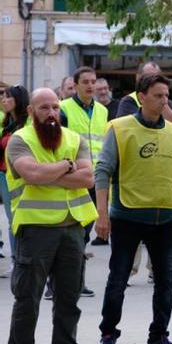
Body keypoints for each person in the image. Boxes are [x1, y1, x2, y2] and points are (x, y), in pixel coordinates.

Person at [95, 74, 172, 344]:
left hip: (165, 218)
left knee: (166, 282)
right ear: (141, 97)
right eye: (158, 95)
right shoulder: (119, 128)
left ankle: (158, 337)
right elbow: (102, 171)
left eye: (167, 96)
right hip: (127, 216)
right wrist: (102, 214)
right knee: (118, 279)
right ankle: (108, 333)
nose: (164, 101)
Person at [3, 88, 99, 344]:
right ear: (31, 111)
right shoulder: (20, 140)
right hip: (36, 229)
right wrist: (66, 167)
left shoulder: (74, 138)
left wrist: (52, 174)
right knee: (28, 297)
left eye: (55, 107)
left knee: (69, 297)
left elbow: (88, 177)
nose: (51, 114)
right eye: (44, 108)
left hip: (73, 228)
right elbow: (31, 174)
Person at [59, 66, 105, 295]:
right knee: (69, 232)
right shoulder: (64, 109)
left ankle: (78, 282)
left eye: (93, 81)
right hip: (74, 178)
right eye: (85, 82)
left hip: (96, 179)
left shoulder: (102, 111)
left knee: (84, 234)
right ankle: (56, 285)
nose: (90, 86)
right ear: (75, 85)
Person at [1, 85, 28, 276]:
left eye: (7, 97)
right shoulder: (7, 122)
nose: (3, 100)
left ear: (17, 100)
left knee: (17, 219)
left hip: (18, 177)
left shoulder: (26, 124)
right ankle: (16, 259)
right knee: (12, 220)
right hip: (3, 175)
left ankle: (20, 259)